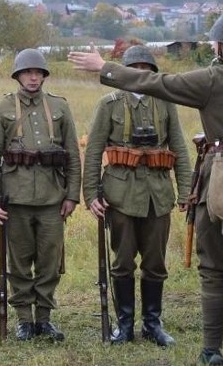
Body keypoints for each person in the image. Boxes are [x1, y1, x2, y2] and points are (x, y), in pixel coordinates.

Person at [69, 10, 223, 366]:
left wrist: (104, 67)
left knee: (214, 270)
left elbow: (158, 84)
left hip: (219, 186)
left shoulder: (214, 79)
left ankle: (212, 351)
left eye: (216, 41)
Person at [82, 45, 191, 347]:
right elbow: (93, 151)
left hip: (158, 194)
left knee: (155, 262)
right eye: (136, 68)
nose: (141, 73)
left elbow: (179, 149)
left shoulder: (165, 104)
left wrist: (186, 191)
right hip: (120, 195)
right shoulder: (110, 103)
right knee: (122, 261)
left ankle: (153, 323)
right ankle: (125, 323)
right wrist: (91, 193)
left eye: (147, 69)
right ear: (125, 73)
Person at [0, 48, 81, 342]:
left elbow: (73, 156)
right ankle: (24, 319)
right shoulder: (2, 109)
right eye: (28, 72)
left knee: (50, 261)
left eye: (38, 72)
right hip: (16, 197)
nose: (33, 77)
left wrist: (72, 196)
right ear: (18, 75)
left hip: (52, 197)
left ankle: (44, 318)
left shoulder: (60, 107)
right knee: (21, 261)